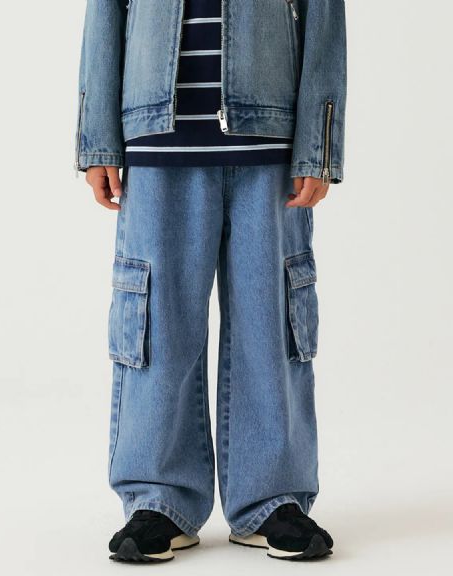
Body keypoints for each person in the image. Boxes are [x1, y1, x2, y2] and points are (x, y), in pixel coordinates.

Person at [74, 0, 346, 563]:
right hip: (156, 136)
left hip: (271, 140)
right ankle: (158, 498)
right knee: (158, 328)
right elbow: (105, 11)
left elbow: (324, 15)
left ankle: (272, 498)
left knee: (269, 326)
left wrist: (319, 143)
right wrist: (97, 136)